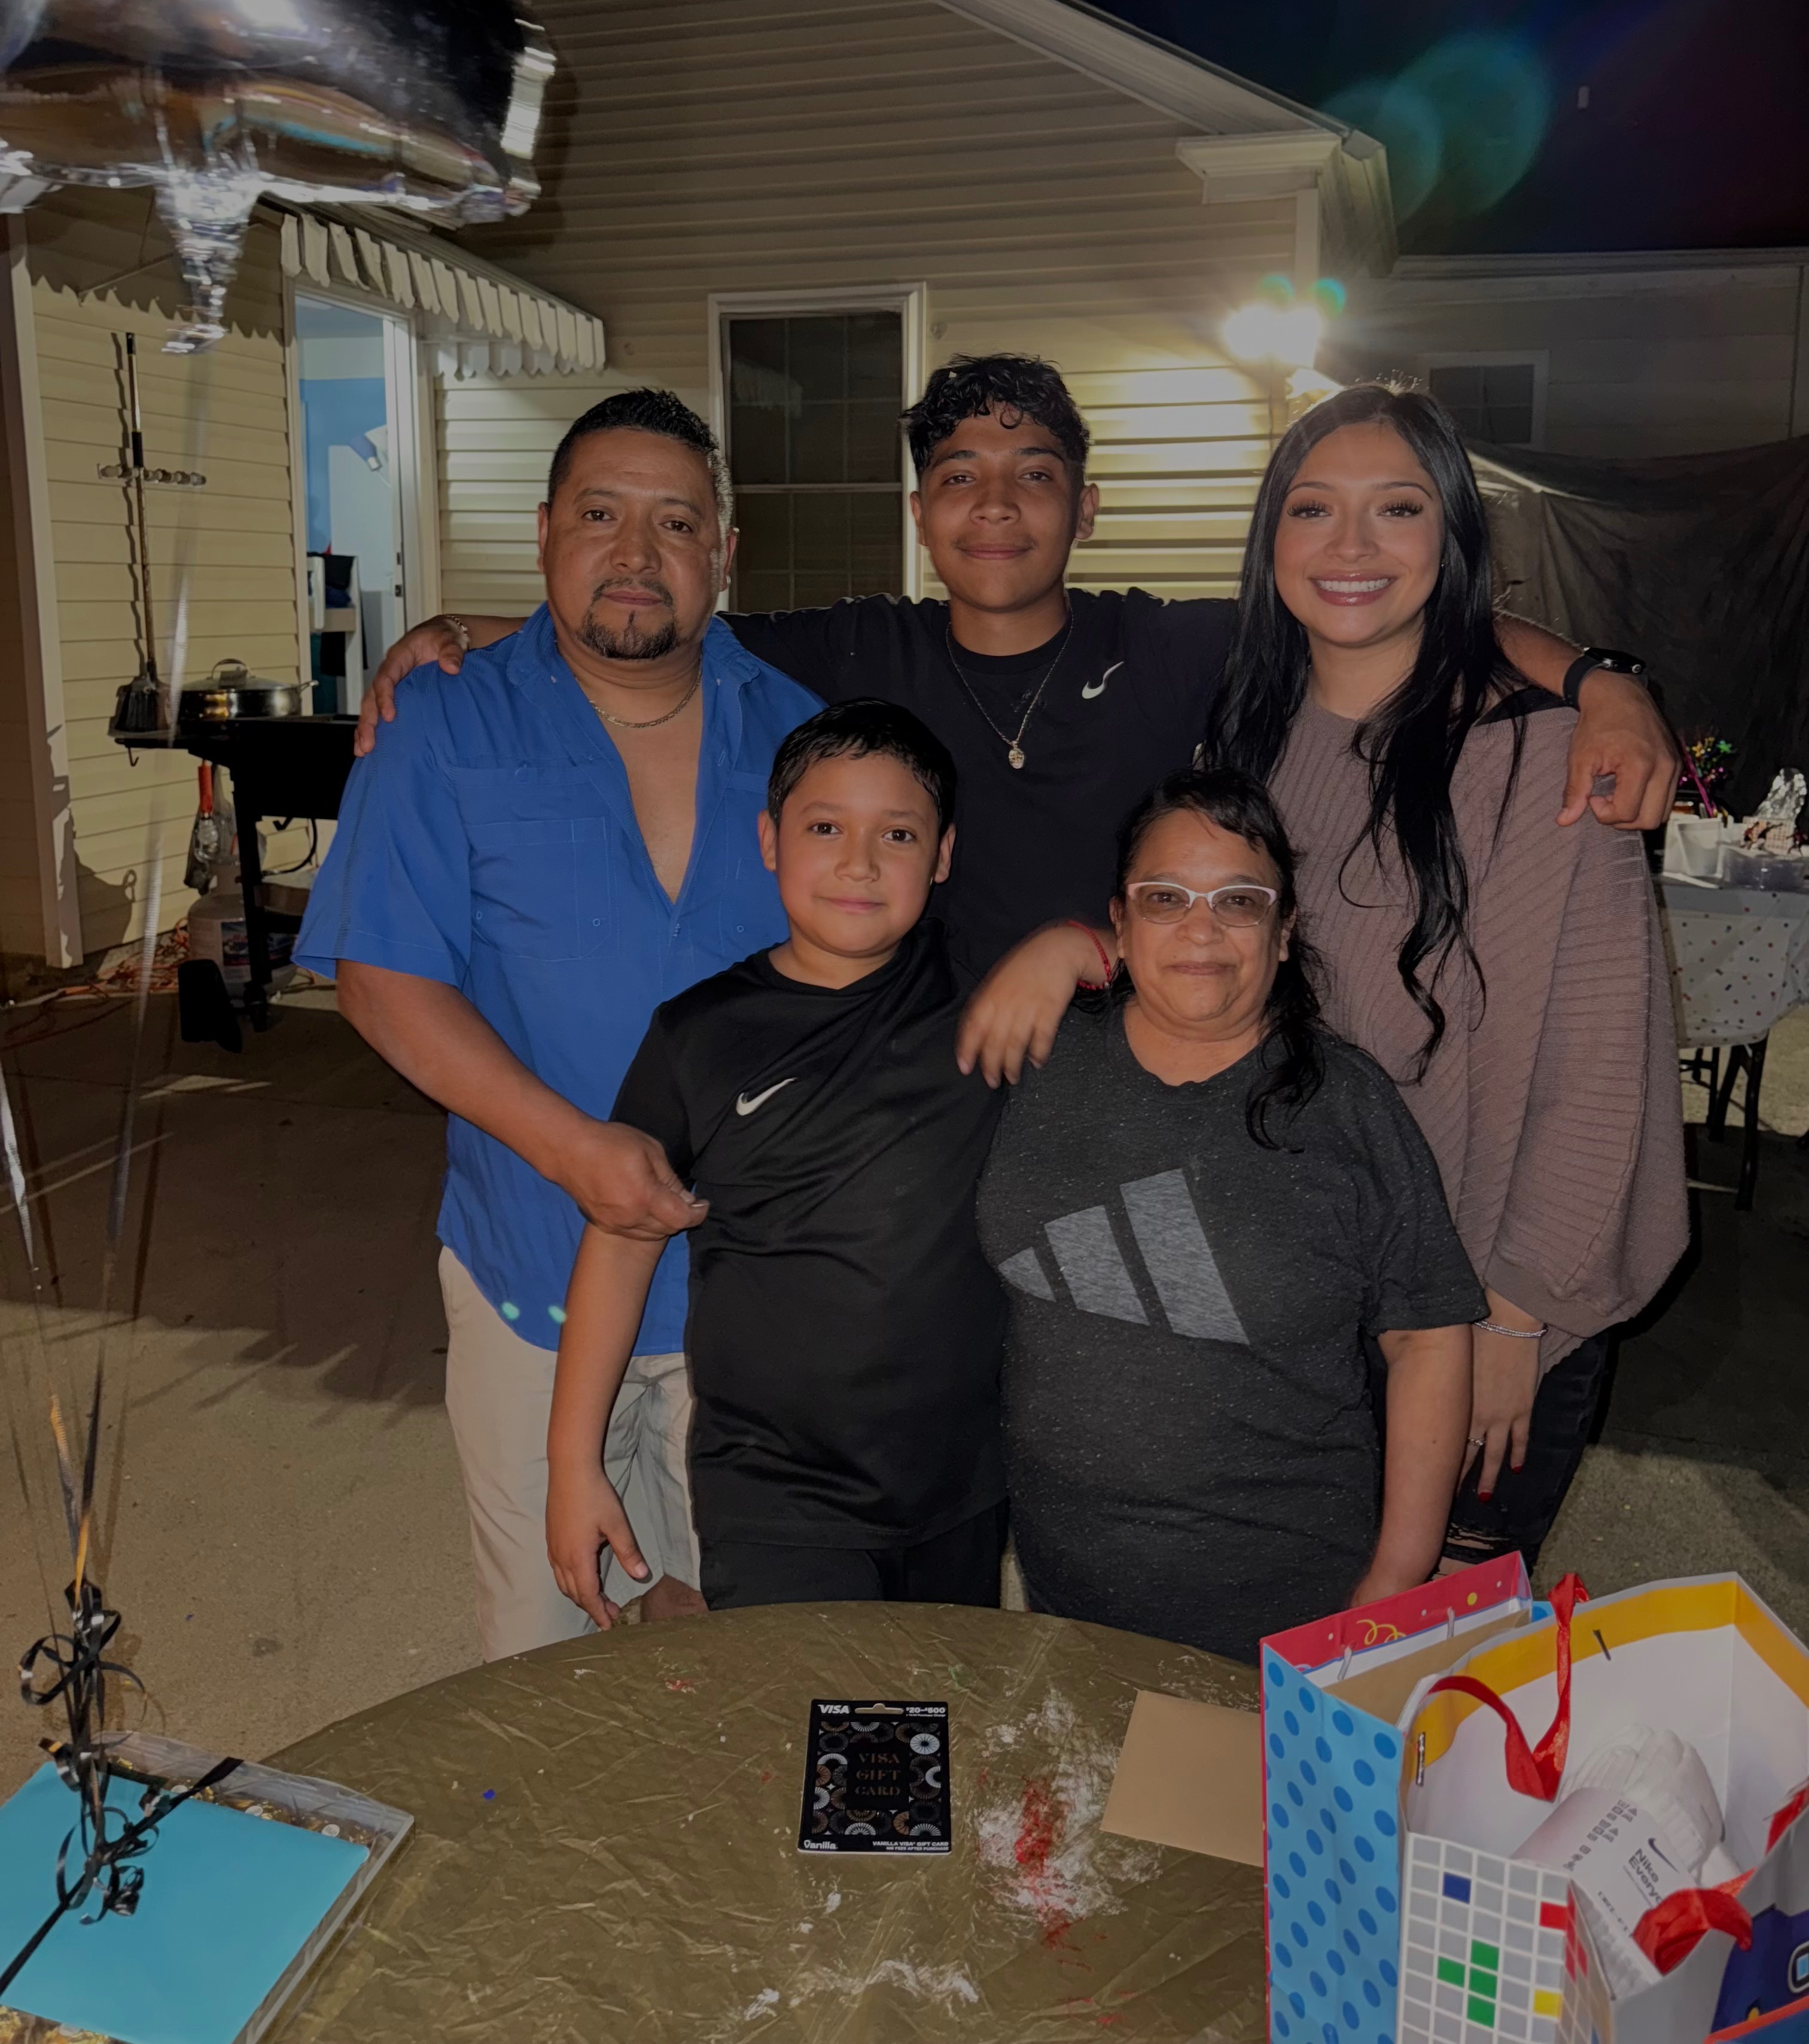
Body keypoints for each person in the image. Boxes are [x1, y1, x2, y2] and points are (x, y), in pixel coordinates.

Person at [357, 357, 1680, 991]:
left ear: (1085, 508)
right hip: (917, 1091)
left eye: (1035, 477)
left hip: (1132, 1076)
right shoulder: (859, 646)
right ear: (921, 514)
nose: (996, 508)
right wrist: (471, 626)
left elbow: (1393, 613)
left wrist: (1601, 681)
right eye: (960, 480)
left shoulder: (1167, 643)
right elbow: (657, 608)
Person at [1000, 383, 1689, 1574]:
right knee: (1298, 1628)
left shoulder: (1546, 757)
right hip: (1305, 1297)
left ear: (1452, 534)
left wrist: (1514, 1321)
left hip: (1484, 1304)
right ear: (1271, 540)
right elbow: (1223, 964)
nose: (1353, 546)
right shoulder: (1246, 738)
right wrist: (1086, 948)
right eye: (1314, 508)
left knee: (1421, 1658)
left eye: (1398, 509)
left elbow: (1601, 1072)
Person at [294, 390, 821, 1659]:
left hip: (757, 1293)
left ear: (724, 552)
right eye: (600, 516)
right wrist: (575, 1150)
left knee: (753, 1649)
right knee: (545, 1658)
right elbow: (380, 978)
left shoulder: (804, 736)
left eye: (675, 523)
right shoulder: (444, 719)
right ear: (543, 534)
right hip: (531, 1269)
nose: (636, 554)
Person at [976, 767, 1485, 1661]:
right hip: (1065, 1591)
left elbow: (1428, 1339)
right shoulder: (1041, 1054)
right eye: (1166, 898)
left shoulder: (1347, 1105)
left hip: (1287, 1609)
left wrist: (1398, 1577)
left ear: (1284, 935)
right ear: (1119, 923)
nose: (1201, 928)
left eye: (1239, 901)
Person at [546, 700, 1007, 1619]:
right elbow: (623, 1239)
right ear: (770, 839)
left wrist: (1072, 949)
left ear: (943, 855)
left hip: (961, 1484)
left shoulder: (989, 1006)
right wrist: (571, 1465)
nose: (859, 863)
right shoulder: (699, 1035)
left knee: (940, 1704)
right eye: (825, 827)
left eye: (899, 834)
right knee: (808, 1708)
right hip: (774, 1495)